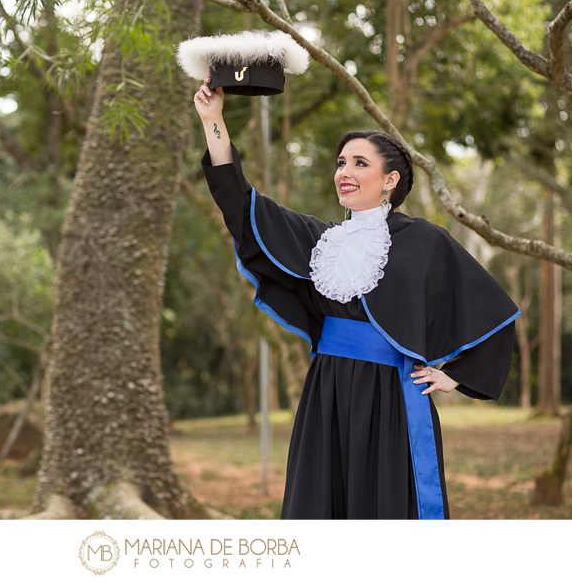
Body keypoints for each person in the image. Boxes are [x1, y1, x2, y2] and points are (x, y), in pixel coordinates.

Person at [193, 77, 520, 520]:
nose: (344, 172)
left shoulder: (425, 241)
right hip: (326, 390)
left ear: (390, 180)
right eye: (341, 162)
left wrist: (456, 378)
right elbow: (242, 205)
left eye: (359, 163)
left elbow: (493, 312)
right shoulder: (321, 241)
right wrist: (213, 120)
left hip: (391, 396)